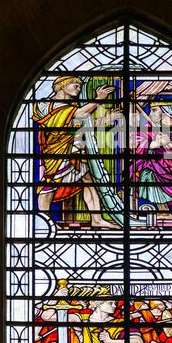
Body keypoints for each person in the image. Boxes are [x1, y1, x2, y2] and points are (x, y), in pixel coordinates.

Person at [33, 76, 119, 229]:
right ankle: (43, 221)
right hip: (56, 151)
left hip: (73, 149)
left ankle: (97, 219)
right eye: (75, 85)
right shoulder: (46, 105)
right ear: (62, 85)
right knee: (49, 185)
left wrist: (106, 119)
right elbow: (75, 116)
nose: (78, 89)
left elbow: (78, 126)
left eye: (80, 86)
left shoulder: (70, 106)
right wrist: (98, 99)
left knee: (89, 181)